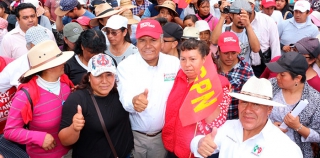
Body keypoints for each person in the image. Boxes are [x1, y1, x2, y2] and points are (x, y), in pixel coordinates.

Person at [190, 76, 303, 158]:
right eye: (244, 102)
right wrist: (200, 143)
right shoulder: (229, 127)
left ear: (269, 109)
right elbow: (198, 143)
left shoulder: (285, 149)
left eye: (256, 104)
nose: (248, 110)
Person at [117, 19, 180, 158]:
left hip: (163, 138)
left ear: (162, 42)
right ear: (136, 42)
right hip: (134, 138)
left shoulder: (174, 64)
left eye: (153, 40)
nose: (147, 45)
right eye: (142, 40)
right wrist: (134, 102)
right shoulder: (126, 66)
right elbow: (124, 96)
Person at [3, 40, 74, 158]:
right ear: (49, 67)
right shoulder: (25, 96)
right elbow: (10, 131)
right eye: (60, 61)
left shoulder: (65, 83)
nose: (65, 62)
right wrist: (38, 138)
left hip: (71, 151)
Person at [162, 39, 231, 158]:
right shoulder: (179, 76)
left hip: (197, 151)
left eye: (192, 59)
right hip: (172, 147)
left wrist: (208, 94)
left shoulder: (219, 84)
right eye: (183, 59)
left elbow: (216, 122)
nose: (187, 64)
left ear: (204, 59)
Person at [59, 53, 133, 157]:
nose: (104, 81)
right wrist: (74, 128)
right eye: (98, 75)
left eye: (109, 74)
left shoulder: (120, 91)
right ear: (89, 77)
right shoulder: (78, 99)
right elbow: (64, 140)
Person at [266, 52, 320, 158]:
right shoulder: (270, 86)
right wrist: (269, 127)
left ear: (298, 78)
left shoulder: (315, 99)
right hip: (266, 147)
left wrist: (298, 127)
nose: (277, 77)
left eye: (282, 74)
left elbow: (318, 135)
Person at [211, 0, 260, 65]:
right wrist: (222, 17)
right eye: (239, 14)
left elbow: (256, 49)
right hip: (226, 70)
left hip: (244, 71)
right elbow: (214, 41)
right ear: (231, 15)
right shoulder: (225, 29)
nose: (241, 18)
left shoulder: (251, 31)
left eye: (245, 15)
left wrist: (248, 25)